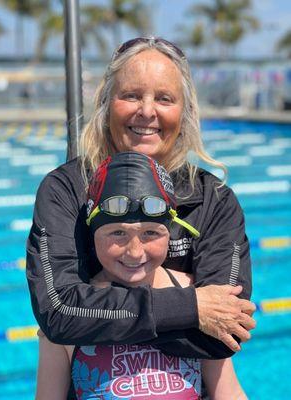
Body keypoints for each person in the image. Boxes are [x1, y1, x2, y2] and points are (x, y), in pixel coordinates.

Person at [26, 36, 255, 366]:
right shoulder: (66, 190)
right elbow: (59, 311)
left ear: (186, 112)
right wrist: (191, 305)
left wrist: (96, 313)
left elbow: (227, 332)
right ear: (106, 103)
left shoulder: (213, 201)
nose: (147, 111)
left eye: (164, 98)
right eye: (131, 95)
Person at [36, 152, 248, 400]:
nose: (135, 252)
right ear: (92, 236)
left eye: (150, 233)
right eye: (117, 233)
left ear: (170, 233)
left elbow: (229, 393)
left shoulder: (199, 296)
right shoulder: (72, 315)